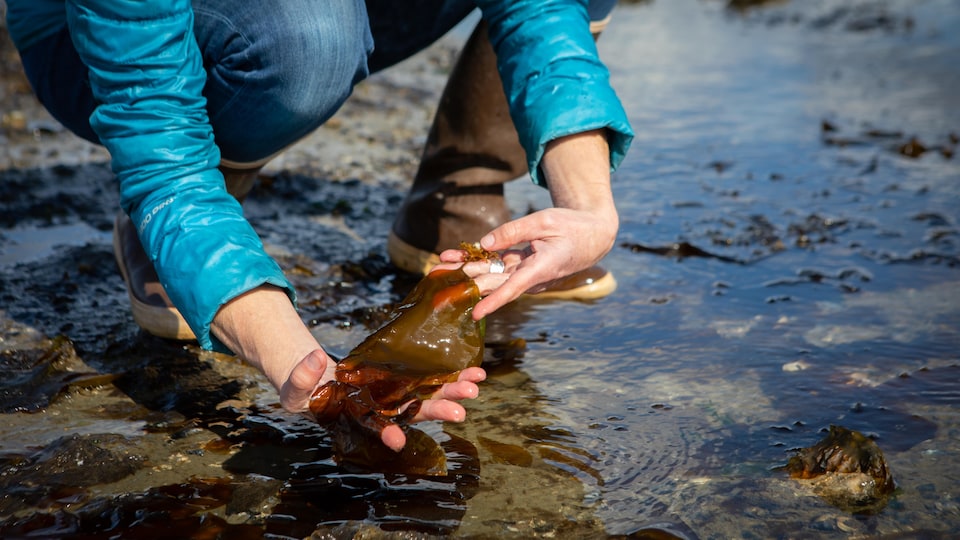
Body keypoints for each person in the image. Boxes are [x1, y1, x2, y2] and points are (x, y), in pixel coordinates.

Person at [4, 0, 633, 451]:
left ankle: (458, 187)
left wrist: (591, 211)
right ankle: (184, 219)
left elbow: (543, 12)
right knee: (310, 36)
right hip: (90, 43)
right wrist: (298, 365)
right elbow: (159, 149)